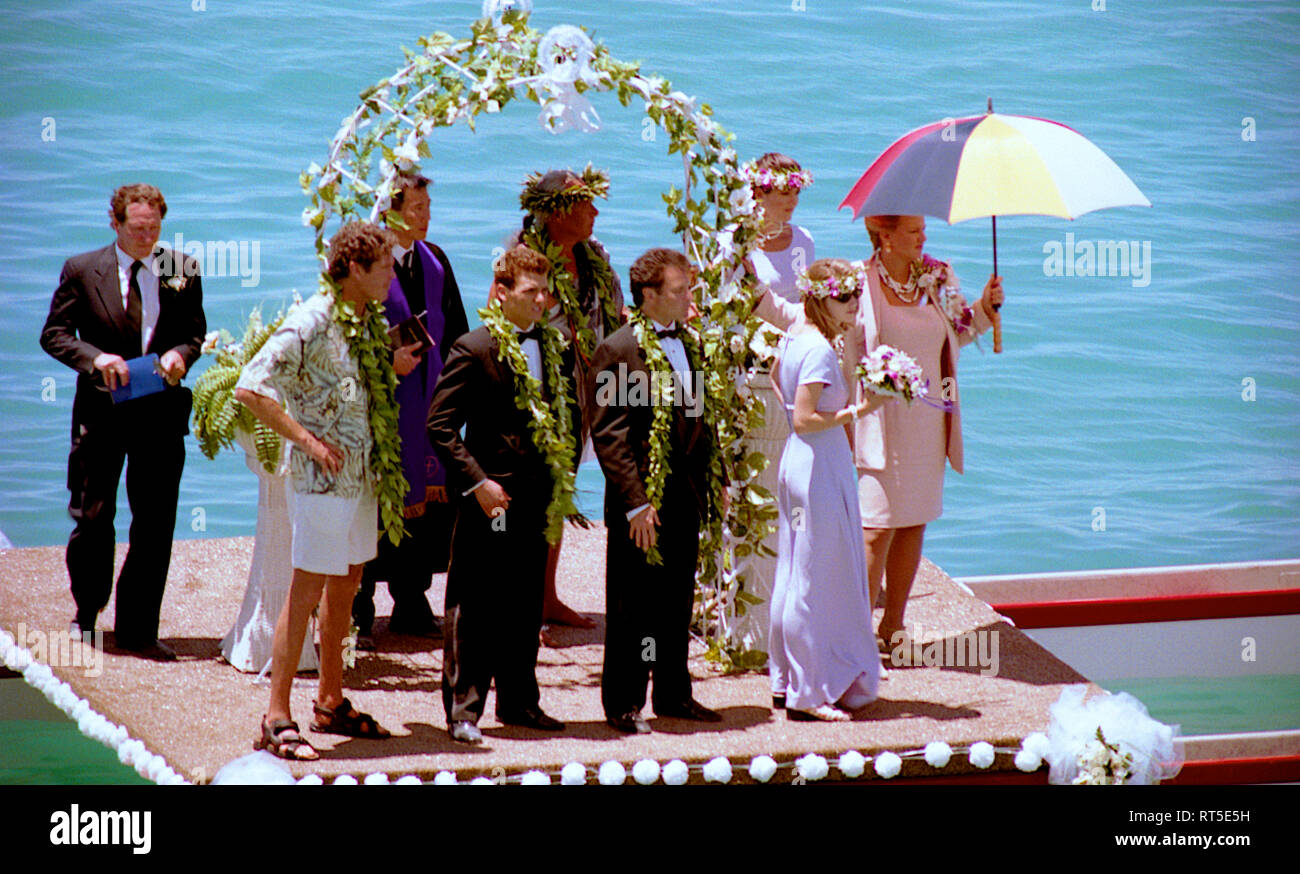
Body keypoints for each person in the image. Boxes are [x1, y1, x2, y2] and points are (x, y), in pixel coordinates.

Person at [235, 221, 397, 760]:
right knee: (305, 590)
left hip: (362, 477)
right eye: (385, 267)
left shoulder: (364, 319)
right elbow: (251, 385)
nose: (392, 276)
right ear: (352, 269)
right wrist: (306, 440)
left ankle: (329, 700)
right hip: (321, 479)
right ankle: (275, 715)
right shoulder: (311, 320)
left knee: (348, 581)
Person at [40, 183, 206, 660]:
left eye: (154, 229)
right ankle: (87, 613)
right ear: (114, 223)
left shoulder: (181, 267)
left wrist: (180, 354)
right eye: (137, 229)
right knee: (93, 517)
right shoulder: (82, 269)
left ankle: (138, 628)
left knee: (155, 522)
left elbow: (196, 331)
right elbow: (53, 334)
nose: (146, 238)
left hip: (159, 411)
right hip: (101, 411)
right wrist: (95, 359)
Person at [426, 245, 574, 745]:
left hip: (536, 498)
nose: (541, 301)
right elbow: (440, 426)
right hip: (489, 497)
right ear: (502, 292)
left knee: (525, 601)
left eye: (544, 292)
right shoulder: (474, 347)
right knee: (476, 601)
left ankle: (520, 702)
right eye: (531, 292)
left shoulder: (553, 347)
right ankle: (464, 709)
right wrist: (478, 481)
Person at [850, 215, 1004, 646]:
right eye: (914, 230)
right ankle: (857, 634)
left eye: (922, 229)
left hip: (927, 421)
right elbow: (840, 345)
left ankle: (893, 626)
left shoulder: (937, 278)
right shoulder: (858, 282)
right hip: (877, 421)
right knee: (876, 527)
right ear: (885, 236)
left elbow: (963, 329)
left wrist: (985, 309)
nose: (924, 236)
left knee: (914, 521)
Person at [589, 248, 722, 734]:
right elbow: (610, 434)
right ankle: (623, 701)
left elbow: (699, 424)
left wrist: (714, 482)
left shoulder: (689, 343)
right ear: (649, 295)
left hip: (683, 494)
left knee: (675, 599)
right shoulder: (618, 349)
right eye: (679, 290)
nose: (689, 298)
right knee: (632, 605)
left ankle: (673, 692)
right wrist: (635, 502)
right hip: (640, 502)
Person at [351, 173, 469, 649]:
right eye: (416, 207)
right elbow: (348, 335)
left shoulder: (435, 260)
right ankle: (358, 606)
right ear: (390, 210)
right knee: (374, 502)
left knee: (427, 508)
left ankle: (412, 600)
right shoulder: (364, 262)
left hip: (429, 401)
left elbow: (457, 327)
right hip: (381, 405)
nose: (425, 215)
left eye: (427, 205)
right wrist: (386, 360)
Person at [513, 166, 624, 638]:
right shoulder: (524, 262)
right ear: (557, 213)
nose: (595, 212)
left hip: (588, 391)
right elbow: (509, 328)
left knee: (560, 492)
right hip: (539, 395)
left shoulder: (594, 257)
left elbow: (617, 314)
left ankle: (546, 595)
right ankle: (519, 600)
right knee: (529, 496)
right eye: (584, 205)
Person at [769, 259, 883, 721]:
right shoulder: (818, 350)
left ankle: (785, 678)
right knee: (814, 576)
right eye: (843, 296)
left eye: (855, 294)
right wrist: (859, 411)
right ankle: (809, 690)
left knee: (794, 569)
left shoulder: (797, 335)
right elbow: (804, 417)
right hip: (818, 463)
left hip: (800, 461)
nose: (853, 304)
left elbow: (776, 378)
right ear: (820, 298)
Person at [744, 152, 815, 303]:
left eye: (797, 193)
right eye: (785, 194)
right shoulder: (734, 241)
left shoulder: (803, 239)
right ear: (758, 194)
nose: (794, 201)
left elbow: (806, 300)